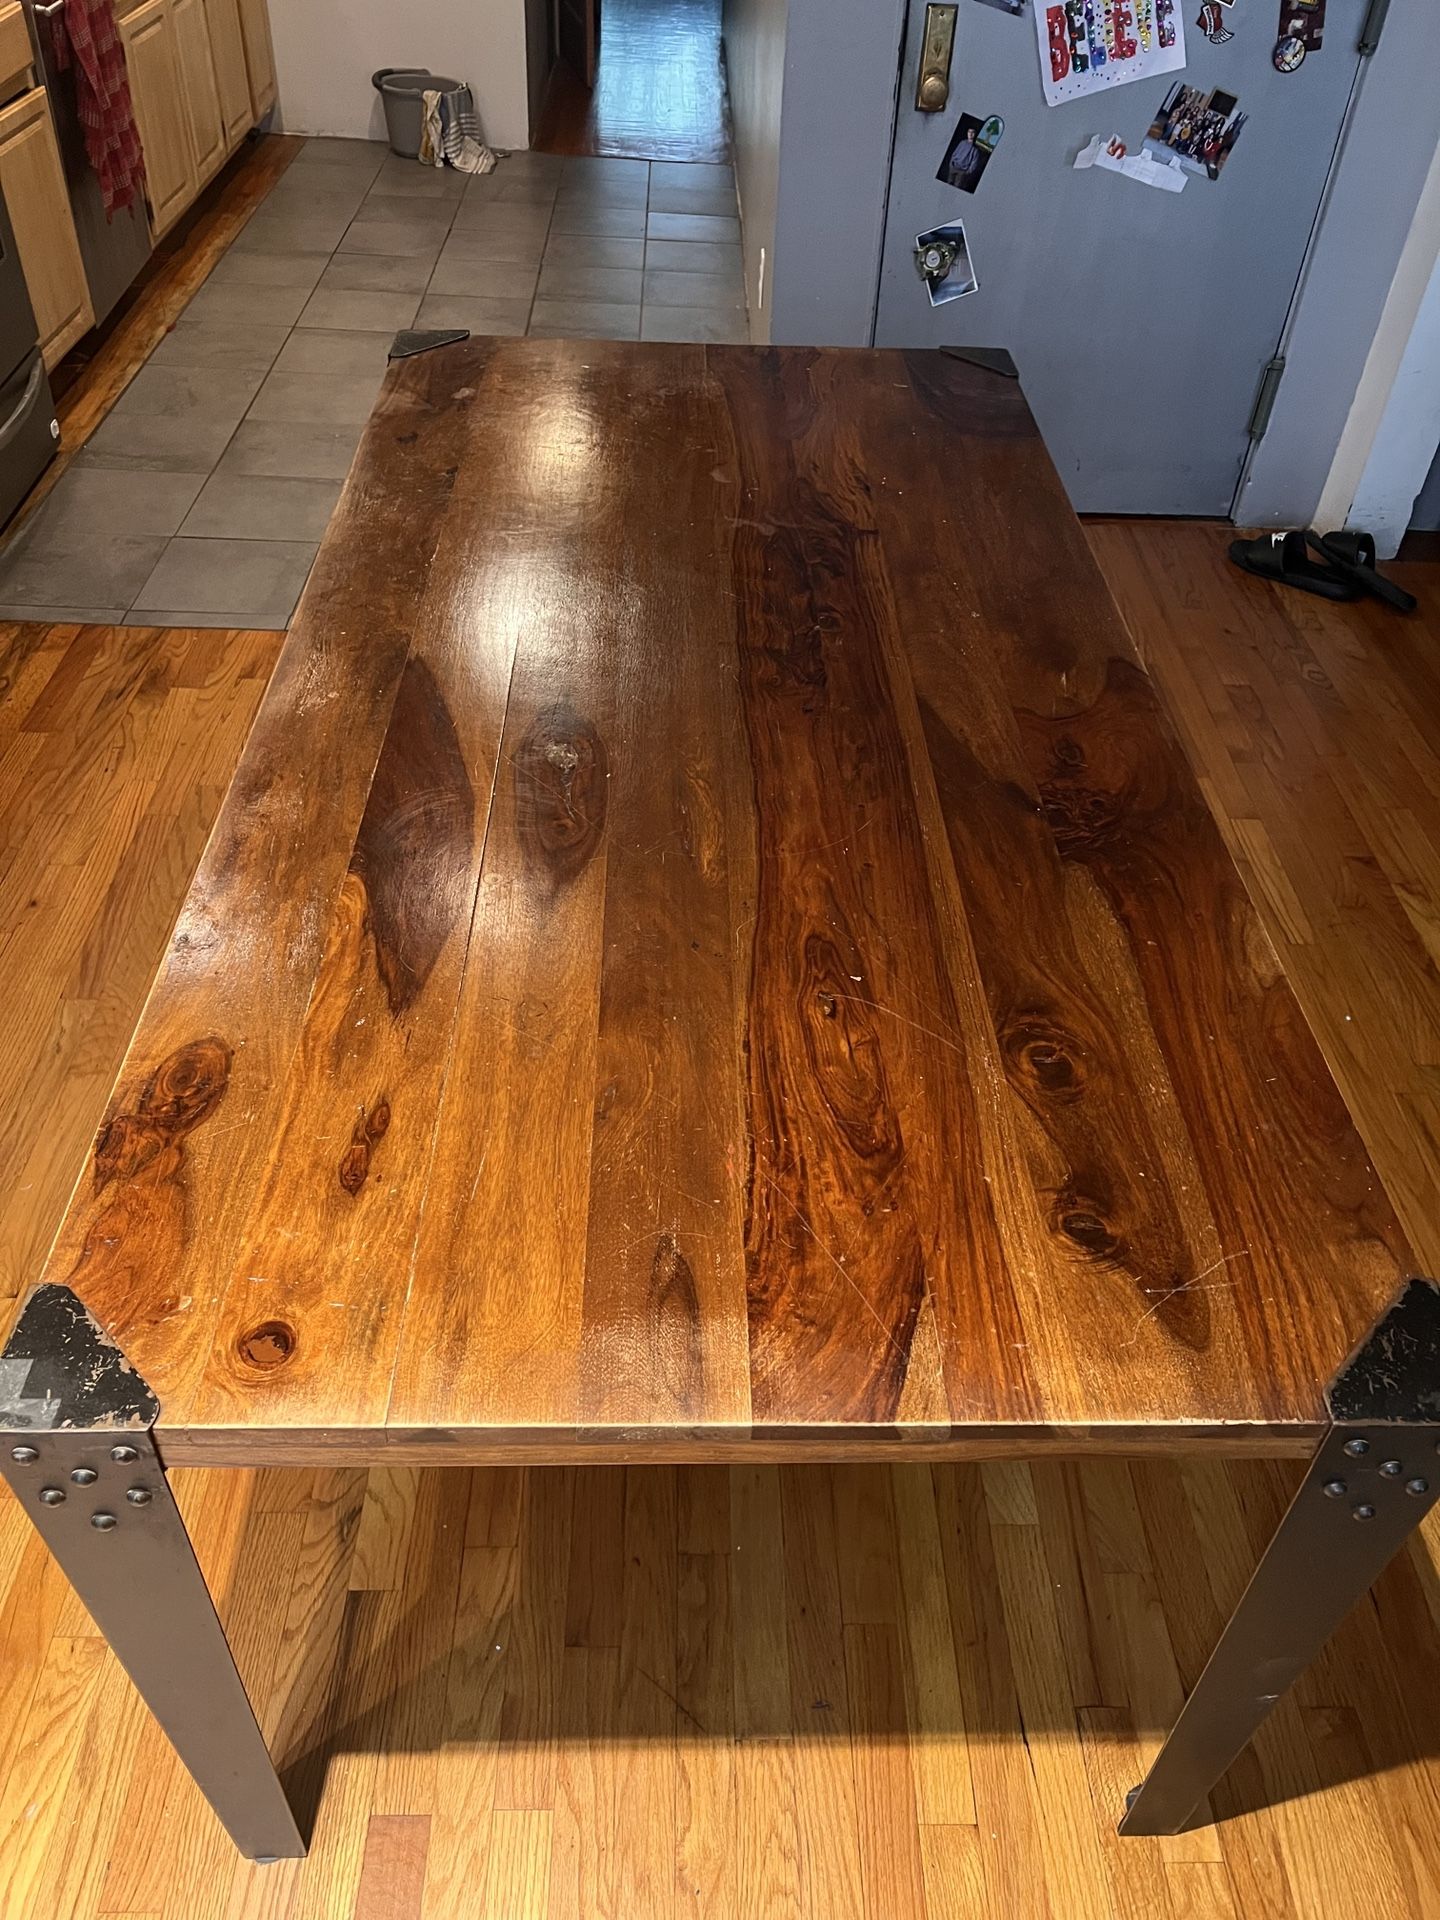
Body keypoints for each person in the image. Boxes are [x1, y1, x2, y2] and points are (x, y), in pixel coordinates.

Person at [947, 127, 985, 191]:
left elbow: (974, 163)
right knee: (947, 185)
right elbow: (954, 153)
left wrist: (966, 172)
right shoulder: (962, 142)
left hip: (962, 172)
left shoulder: (975, 149)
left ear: (975, 134)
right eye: (969, 132)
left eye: (973, 132)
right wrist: (951, 164)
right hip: (954, 167)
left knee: (955, 189)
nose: (970, 134)